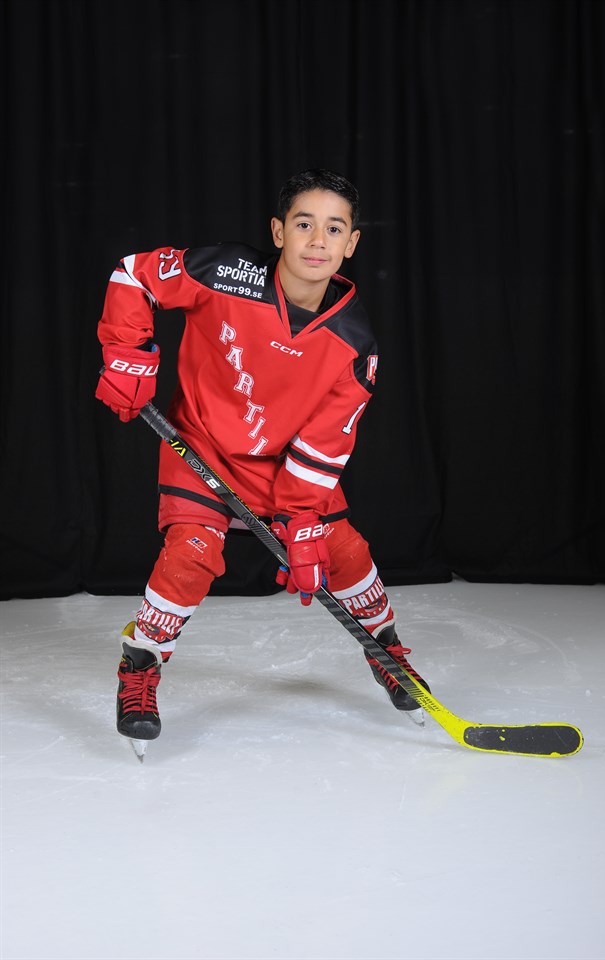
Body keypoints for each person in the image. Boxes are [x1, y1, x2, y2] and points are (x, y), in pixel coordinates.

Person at [96, 168, 429, 744]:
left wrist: (301, 520)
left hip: (282, 465)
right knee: (191, 554)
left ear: (351, 243)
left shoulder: (356, 345)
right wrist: (127, 353)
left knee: (345, 551)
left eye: (334, 229)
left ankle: (387, 651)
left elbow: (325, 443)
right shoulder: (224, 271)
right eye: (304, 224)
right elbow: (134, 274)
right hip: (201, 443)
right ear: (278, 231)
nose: (317, 240)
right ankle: (141, 665)